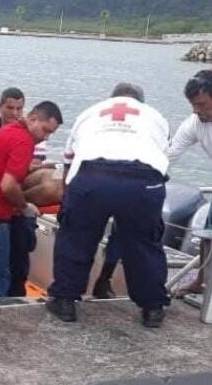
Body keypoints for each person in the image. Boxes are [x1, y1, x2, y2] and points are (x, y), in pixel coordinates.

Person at [47, 83, 170, 327]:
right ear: (139, 101)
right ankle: (152, 308)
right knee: (145, 244)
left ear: (111, 99)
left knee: (76, 238)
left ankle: (64, 301)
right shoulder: (155, 116)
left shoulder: (91, 112)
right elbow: (161, 153)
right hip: (142, 181)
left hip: (93, 176)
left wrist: (69, 197)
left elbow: (69, 159)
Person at [0, 101, 63, 297]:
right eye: (45, 130)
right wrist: (24, 206)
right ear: (33, 119)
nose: (46, 138)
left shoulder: (7, 130)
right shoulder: (23, 142)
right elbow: (7, 185)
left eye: (51, 134)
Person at [165, 70, 212, 296]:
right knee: (207, 235)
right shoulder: (195, 123)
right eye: (193, 104)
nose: (196, 110)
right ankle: (202, 281)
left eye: (201, 104)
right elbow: (169, 155)